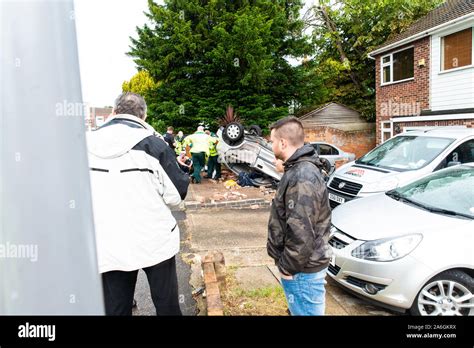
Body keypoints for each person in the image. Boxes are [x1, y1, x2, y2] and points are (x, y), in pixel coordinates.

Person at [86, 92, 189, 316]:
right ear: (143, 115)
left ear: (114, 112)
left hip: (108, 241)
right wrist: (178, 168)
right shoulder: (154, 146)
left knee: (116, 307)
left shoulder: (84, 144)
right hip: (154, 240)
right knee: (167, 305)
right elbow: (176, 194)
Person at [267, 116, 332, 316]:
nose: (271, 146)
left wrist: (287, 268)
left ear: (283, 143)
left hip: (302, 270)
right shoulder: (298, 169)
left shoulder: (302, 176)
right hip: (302, 268)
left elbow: (301, 232)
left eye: (272, 142)